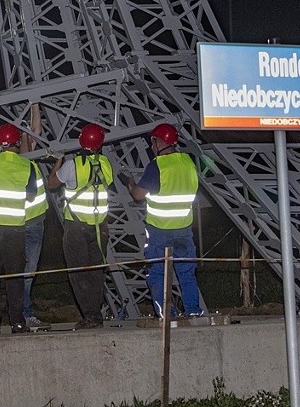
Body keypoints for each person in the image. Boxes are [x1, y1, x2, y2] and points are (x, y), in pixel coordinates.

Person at [125, 122, 203, 318]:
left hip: (159, 230)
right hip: (184, 229)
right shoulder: (188, 162)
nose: (152, 148)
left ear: (159, 143)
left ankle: (166, 314)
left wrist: (130, 183)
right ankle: (193, 311)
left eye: (153, 143)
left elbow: (138, 195)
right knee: (187, 274)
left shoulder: (157, 166)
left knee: (157, 274)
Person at [47, 123, 113, 329]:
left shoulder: (73, 165)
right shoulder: (106, 164)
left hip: (76, 227)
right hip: (99, 227)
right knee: (96, 272)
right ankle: (95, 314)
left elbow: (51, 184)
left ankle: (91, 315)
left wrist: (58, 159)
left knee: (78, 272)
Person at [0, 123, 38, 334]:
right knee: (15, 278)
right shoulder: (27, 166)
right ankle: (18, 321)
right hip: (16, 230)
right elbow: (31, 195)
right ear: (18, 142)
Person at [21, 105, 51, 331]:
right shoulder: (6, 164)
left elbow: (36, 129)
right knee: (23, 275)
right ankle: (23, 315)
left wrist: (34, 105)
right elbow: (35, 131)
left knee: (27, 275)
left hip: (32, 225)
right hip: (19, 228)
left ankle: (23, 314)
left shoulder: (27, 160)